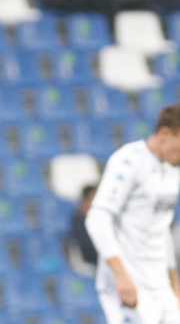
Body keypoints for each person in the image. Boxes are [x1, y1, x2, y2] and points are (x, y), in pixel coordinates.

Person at [85, 104, 180, 324]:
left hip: (159, 286)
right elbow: (97, 218)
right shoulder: (129, 160)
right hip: (131, 285)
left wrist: (174, 286)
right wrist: (121, 275)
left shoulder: (172, 172)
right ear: (165, 133)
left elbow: (161, 229)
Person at [68, 185, 98, 276]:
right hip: (89, 261)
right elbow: (87, 243)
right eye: (93, 199)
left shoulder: (102, 219)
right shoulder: (78, 220)